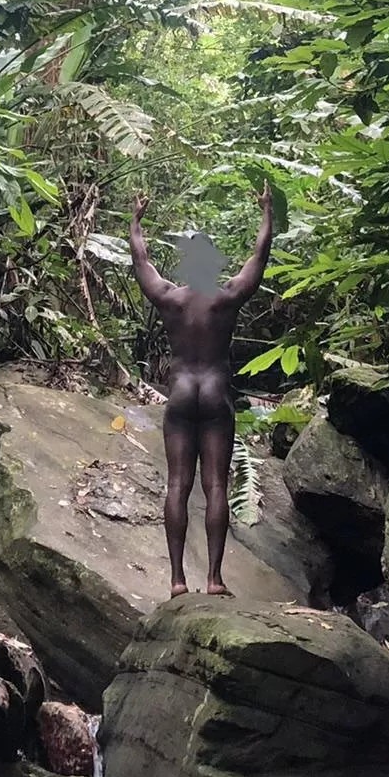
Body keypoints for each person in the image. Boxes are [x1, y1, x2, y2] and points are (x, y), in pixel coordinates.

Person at [128, 185, 273, 597]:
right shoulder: (226, 297)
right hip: (215, 395)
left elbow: (141, 260)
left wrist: (135, 220)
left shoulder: (168, 297)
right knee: (216, 486)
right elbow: (259, 257)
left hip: (179, 394)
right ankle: (214, 579)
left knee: (177, 485)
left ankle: (177, 581)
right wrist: (266, 213)